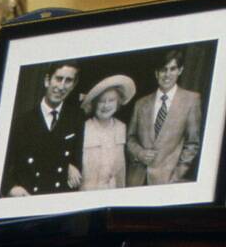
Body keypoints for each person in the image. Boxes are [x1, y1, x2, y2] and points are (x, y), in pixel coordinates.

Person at [1, 60, 83, 197]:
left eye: (68, 81)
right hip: (29, 197)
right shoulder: (22, 122)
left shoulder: (76, 118)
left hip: (59, 197)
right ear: (47, 81)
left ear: (73, 86)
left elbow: (78, 158)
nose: (61, 86)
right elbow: (3, 164)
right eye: (58, 79)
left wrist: (72, 165)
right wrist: (11, 188)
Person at [126, 48, 202, 186]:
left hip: (168, 181)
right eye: (163, 69)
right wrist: (139, 153)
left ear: (180, 70)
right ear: (156, 73)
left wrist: (176, 176)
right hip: (136, 180)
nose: (167, 75)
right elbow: (130, 138)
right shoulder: (140, 103)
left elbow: (192, 144)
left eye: (172, 69)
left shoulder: (191, 100)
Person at [80, 74, 135, 190]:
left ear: (118, 102)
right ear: (94, 104)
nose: (106, 105)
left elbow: (121, 170)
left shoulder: (121, 127)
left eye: (111, 100)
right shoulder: (84, 128)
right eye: (101, 101)